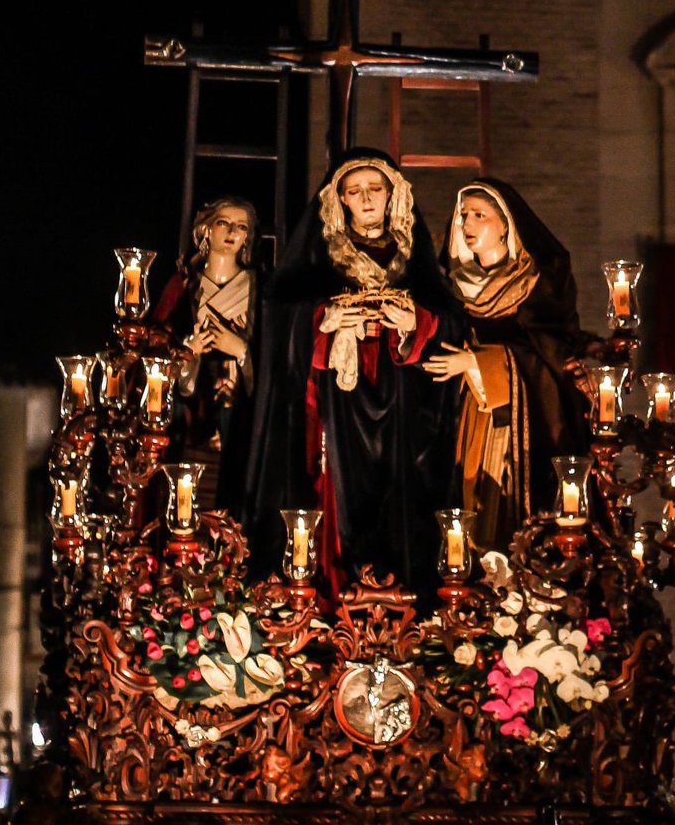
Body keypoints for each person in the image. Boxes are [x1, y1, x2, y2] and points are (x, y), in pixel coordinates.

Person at [239, 148, 461, 600]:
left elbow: (450, 321)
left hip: (401, 405)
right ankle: (332, 593)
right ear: (338, 199)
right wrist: (323, 319)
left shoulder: (413, 258)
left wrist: (415, 321)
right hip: (336, 404)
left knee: (401, 493)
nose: (365, 199)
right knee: (335, 489)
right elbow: (279, 317)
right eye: (354, 191)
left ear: (392, 195)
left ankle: (396, 596)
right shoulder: (319, 257)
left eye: (374, 189)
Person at [423, 180, 589, 552]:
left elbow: (552, 356)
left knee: (499, 502)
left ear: (506, 226)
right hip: (465, 414)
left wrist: (478, 362)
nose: (467, 222)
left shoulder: (536, 284)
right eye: (464, 215)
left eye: (481, 215)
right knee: (465, 495)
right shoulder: (450, 288)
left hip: (515, 419)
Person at [153, 196, 258, 508]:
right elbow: (158, 354)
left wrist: (239, 349)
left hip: (239, 407)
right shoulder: (184, 286)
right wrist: (189, 352)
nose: (231, 232)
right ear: (207, 230)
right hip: (192, 407)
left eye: (241, 227)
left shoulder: (257, 287)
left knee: (232, 492)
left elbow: (275, 357)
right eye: (223, 223)